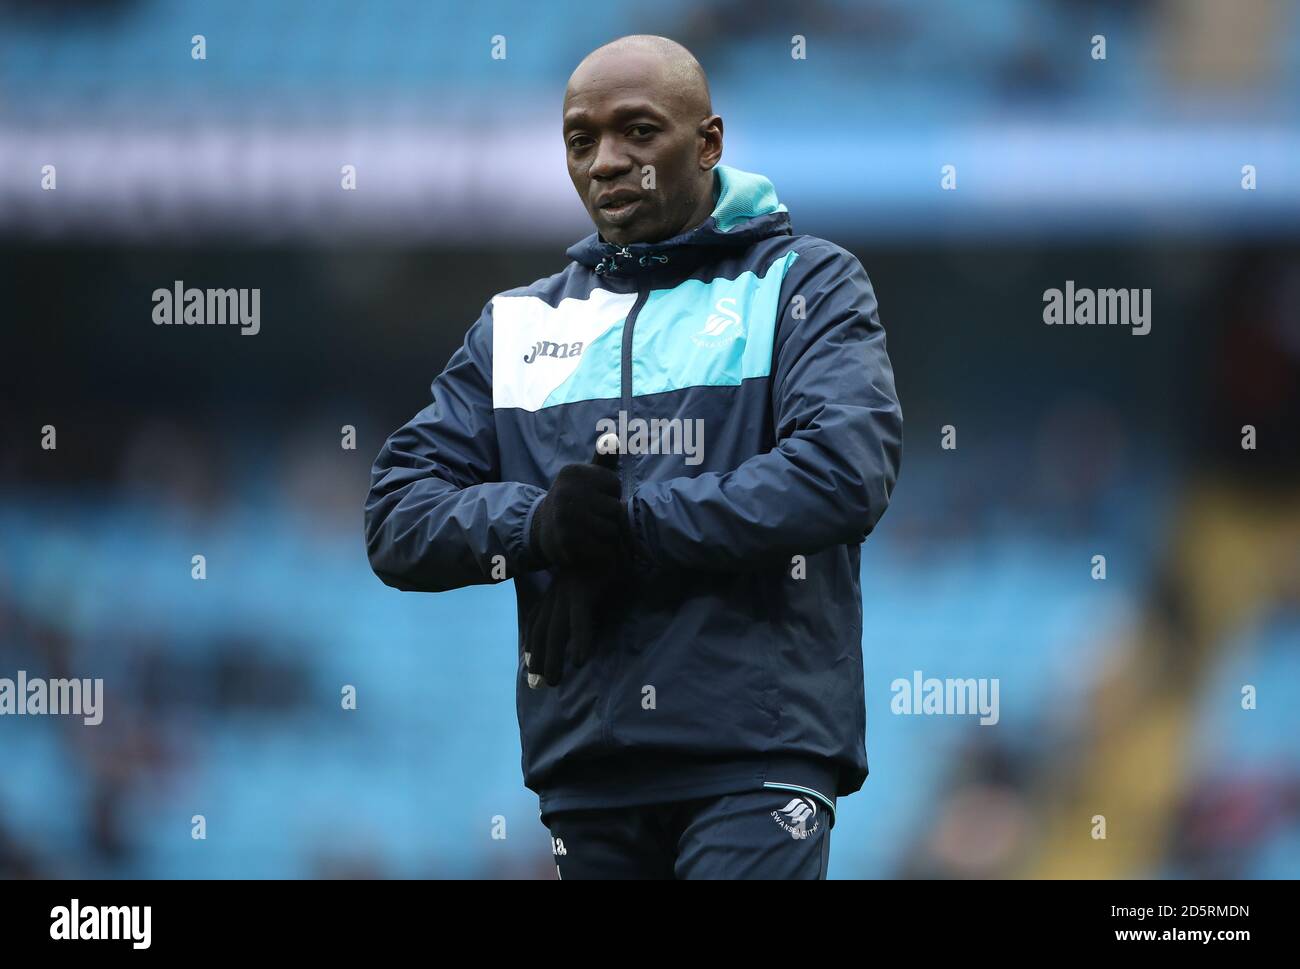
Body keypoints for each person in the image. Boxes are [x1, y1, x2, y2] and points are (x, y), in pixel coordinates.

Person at [365, 34, 903, 879]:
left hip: (754, 753)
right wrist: (537, 523)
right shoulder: (517, 324)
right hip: (589, 768)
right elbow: (396, 516)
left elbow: (842, 471)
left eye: (639, 132)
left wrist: (631, 524)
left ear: (709, 142)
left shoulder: (806, 284)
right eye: (582, 140)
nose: (608, 161)